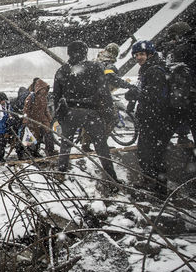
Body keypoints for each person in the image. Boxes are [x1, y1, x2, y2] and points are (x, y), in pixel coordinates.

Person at [53, 40, 118, 183]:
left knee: (65, 145)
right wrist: (108, 113)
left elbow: (56, 97)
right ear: (85, 52)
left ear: (69, 53)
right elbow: (104, 92)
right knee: (101, 146)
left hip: (70, 112)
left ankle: (60, 173)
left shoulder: (62, 70)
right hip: (91, 112)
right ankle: (111, 177)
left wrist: (60, 117)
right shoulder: (95, 67)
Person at [125, 40, 173, 197]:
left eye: (142, 54)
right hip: (151, 118)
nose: (139, 57)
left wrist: (136, 94)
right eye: (137, 55)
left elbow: (154, 95)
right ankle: (152, 182)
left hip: (157, 119)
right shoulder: (147, 69)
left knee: (154, 153)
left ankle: (159, 190)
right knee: (147, 152)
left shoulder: (154, 71)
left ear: (150, 54)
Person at [23, 79, 55, 157]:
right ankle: (33, 152)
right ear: (39, 89)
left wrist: (49, 118)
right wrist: (25, 119)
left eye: (45, 89)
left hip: (43, 119)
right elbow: (26, 109)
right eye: (43, 89)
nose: (44, 91)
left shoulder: (44, 98)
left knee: (48, 134)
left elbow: (46, 109)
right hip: (33, 120)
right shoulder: (31, 97)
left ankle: (50, 151)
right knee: (35, 137)